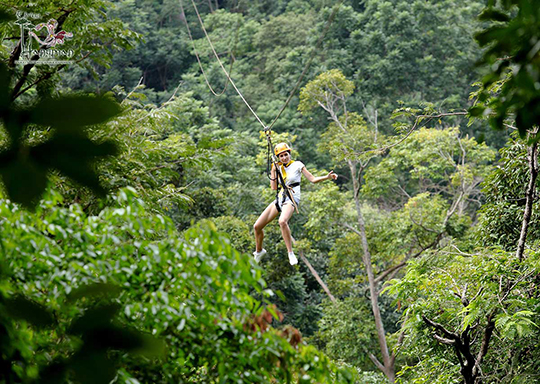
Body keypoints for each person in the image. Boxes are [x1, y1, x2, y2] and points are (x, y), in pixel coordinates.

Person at [253, 142, 338, 265]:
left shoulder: (297, 165)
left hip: (292, 198)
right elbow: (273, 187)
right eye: (281, 156)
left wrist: (327, 177)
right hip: (281, 197)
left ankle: (290, 253)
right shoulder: (278, 167)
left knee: (282, 221)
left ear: (289, 154)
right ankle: (259, 251)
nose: (284, 158)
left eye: (286, 155)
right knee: (257, 226)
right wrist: (273, 171)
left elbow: (312, 179)